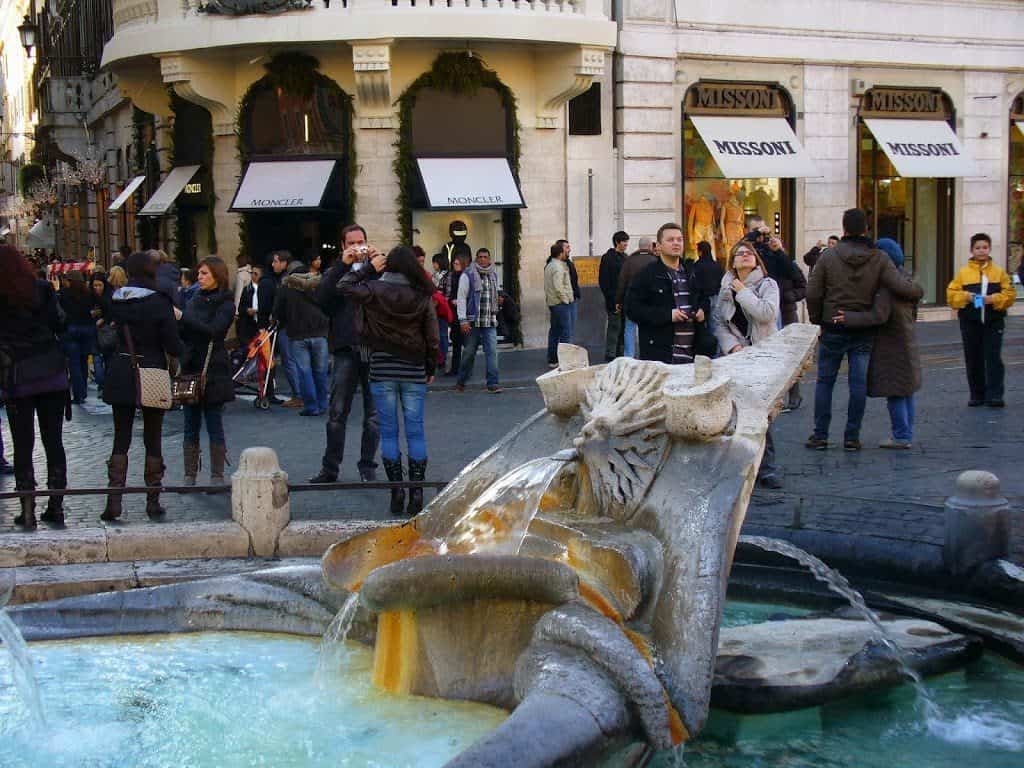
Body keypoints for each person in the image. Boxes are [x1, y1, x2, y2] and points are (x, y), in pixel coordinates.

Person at [805, 208, 923, 451]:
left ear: (844, 229)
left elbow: (813, 292)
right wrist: (917, 290)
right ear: (866, 230)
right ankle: (851, 437)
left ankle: (820, 435)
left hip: (833, 326)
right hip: (862, 330)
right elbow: (902, 287)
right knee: (857, 385)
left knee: (825, 382)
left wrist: (820, 319)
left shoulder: (829, 256)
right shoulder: (878, 258)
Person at [340, 245, 439, 516]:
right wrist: (431, 365)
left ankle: (396, 490)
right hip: (414, 369)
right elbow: (432, 335)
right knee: (416, 431)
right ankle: (416, 491)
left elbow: (344, 286)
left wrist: (369, 268)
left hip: (381, 368)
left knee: (389, 432)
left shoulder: (374, 290)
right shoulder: (422, 294)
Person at [102, 250, 183, 521]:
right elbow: (172, 344)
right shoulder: (160, 302)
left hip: (122, 368)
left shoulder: (116, 299)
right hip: (152, 369)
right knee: (153, 437)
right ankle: (153, 501)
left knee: (120, 436)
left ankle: (114, 502)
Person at [0, 245, 70, 529]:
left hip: (18, 375)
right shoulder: (41, 288)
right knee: (53, 441)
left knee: (23, 443)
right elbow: (59, 323)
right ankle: (56, 505)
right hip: (50, 371)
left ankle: (27, 508)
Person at [310, 224, 380, 484]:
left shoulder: (377, 269)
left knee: (374, 416)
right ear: (343, 246)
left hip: (374, 348)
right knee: (337, 412)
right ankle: (330, 469)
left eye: (361, 241)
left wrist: (375, 263)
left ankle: (367, 467)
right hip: (345, 349)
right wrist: (342, 265)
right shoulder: (335, 272)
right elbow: (322, 298)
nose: (356, 246)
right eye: (351, 242)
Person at [838, 239, 922, 449]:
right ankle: (906, 433)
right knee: (906, 390)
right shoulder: (906, 280)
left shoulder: (886, 286)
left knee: (895, 391)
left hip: (890, 345)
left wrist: (849, 318)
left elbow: (878, 316)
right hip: (905, 342)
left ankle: (901, 435)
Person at [713, 240, 782, 488]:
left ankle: (766, 468)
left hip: (762, 356)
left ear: (756, 259)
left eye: (749, 253)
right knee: (734, 413)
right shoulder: (724, 288)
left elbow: (767, 313)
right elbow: (719, 322)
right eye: (739, 254)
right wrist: (733, 346)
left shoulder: (767, 284)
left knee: (761, 413)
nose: (744, 256)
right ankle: (737, 466)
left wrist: (743, 292)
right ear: (732, 261)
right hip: (735, 357)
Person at [179, 257, 236, 486]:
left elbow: (214, 331)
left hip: (213, 367)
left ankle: (216, 475)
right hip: (192, 365)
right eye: (199, 274)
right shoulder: (193, 299)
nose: (200, 278)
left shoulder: (226, 304)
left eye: (204, 274)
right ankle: (189, 474)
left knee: (214, 421)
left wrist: (184, 319)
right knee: (190, 423)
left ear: (217, 276)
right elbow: (185, 331)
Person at [946, 232, 1016, 408]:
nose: (981, 251)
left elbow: (1010, 295)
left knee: (993, 357)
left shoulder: (999, 272)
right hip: (970, 321)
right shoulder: (963, 273)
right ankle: (977, 394)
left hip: (994, 321)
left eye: (985, 247)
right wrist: (967, 296)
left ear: (989, 249)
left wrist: (994, 299)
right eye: (978, 248)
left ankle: (995, 395)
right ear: (972, 250)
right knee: (973, 357)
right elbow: (951, 295)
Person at [744, 216, 807, 409]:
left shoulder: (778, 255)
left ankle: (794, 394)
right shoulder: (748, 255)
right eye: (756, 231)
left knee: (790, 357)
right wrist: (753, 238)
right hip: (760, 314)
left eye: (763, 232)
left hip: (785, 313)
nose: (761, 237)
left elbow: (800, 282)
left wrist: (779, 251)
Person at [626, 223, 708, 365]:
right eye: (670, 240)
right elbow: (632, 310)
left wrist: (702, 310)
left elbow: (704, 299)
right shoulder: (647, 274)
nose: (676, 243)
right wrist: (667, 315)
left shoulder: (692, 272)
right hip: (661, 357)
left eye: (679, 239)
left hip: (693, 357)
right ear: (658, 246)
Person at [273, 258, 330, 416]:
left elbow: (278, 311)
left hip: (297, 334)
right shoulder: (318, 285)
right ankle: (323, 404)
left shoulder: (286, 287)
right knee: (321, 371)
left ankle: (311, 406)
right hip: (319, 333)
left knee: (304, 372)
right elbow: (329, 305)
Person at [456, 248, 502, 393]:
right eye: (480, 257)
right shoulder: (468, 275)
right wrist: (462, 320)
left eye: (485, 257)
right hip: (472, 321)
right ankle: (461, 380)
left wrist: (498, 301)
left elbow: (494, 294)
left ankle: (492, 383)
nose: (483, 259)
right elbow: (461, 298)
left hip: (489, 319)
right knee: (469, 353)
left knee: (492, 352)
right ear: (476, 258)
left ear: (489, 259)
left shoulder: (493, 274)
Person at [59, 270, 97, 404]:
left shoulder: (64, 294)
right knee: (83, 361)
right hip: (87, 329)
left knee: (74, 363)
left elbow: (60, 314)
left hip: (72, 329)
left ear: (70, 281)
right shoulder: (89, 294)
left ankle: (78, 395)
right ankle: (84, 392)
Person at [617, 237, 657, 359]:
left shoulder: (629, 260)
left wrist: (619, 300)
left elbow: (622, 282)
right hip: (651, 301)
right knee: (649, 328)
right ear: (650, 247)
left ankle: (629, 356)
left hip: (631, 300)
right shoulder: (655, 260)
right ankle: (648, 355)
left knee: (629, 328)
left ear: (639, 247)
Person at [598, 231, 629, 361]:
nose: (626, 244)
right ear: (617, 242)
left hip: (624, 298)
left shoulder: (625, 257)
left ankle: (620, 352)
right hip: (613, 298)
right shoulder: (608, 258)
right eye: (624, 241)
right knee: (614, 327)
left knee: (623, 327)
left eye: (627, 241)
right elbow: (604, 281)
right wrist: (611, 300)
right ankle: (610, 353)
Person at [545, 241, 574, 367]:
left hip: (553, 303)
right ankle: (565, 361)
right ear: (560, 253)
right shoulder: (558, 267)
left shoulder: (550, 265)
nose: (569, 250)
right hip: (560, 304)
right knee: (565, 334)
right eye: (566, 249)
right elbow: (558, 287)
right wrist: (566, 300)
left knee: (555, 332)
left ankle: (553, 360)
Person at [691, 240, 725, 347]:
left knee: (701, 326)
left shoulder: (696, 266)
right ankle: (716, 350)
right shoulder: (717, 265)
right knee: (715, 326)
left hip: (702, 299)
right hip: (716, 297)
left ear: (700, 252)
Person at [90, 274, 113, 396]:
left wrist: (103, 319)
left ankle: (106, 386)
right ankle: (102, 384)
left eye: (99, 285)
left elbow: (112, 312)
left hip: (106, 332)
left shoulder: (109, 297)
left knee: (107, 359)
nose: (97, 288)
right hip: (95, 332)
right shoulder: (90, 297)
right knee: (97, 359)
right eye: (94, 285)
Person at [446, 254, 466, 375]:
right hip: (453, 310)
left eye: (457, 263)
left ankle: (465, 369)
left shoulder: (466, 276)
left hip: (463, 312)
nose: (455, 265)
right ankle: (455, 368)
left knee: (466, 342)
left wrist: (461, 301)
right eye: (454, 263)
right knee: (456, 341)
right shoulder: (450, 276)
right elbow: (447, 293)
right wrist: (451, 301)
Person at [235, 262, 262, 349]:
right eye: (251, 273)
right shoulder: (247, 289)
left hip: (261, 325)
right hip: (247, 325)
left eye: (256, 274)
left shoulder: (265, 289)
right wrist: (247, 310)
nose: (253, 276)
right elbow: (240, 307)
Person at [432, 252, 451, 367]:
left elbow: (447, 294)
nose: (433, 265)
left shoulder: (447, 276)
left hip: (442, 309)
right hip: (433, 308)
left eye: (434, 262)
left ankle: (443, 358)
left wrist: (439, 296)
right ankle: (437, 357)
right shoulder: (434, 275)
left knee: (443, 335)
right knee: (435, 335)